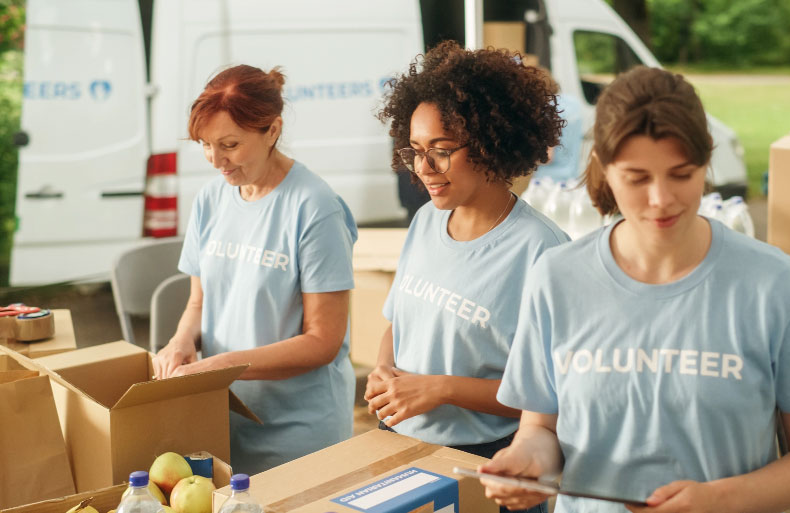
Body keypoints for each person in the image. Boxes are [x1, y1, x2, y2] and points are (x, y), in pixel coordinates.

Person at [479, 66, 790, 513]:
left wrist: (719, 499)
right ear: (603, 168)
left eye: (681, 174)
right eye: (637, 178)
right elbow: (542, 429)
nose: (661, 198)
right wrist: (525, 462)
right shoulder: (556, 278)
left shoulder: (773, 284)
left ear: (706, 163)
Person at [363, 41, 568, 513]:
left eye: (441, 151)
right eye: (414, 151)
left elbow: (552, 398)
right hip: (397, 445)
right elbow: (400, 323)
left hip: (488, 464)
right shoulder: (426, 222)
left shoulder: (543, 253)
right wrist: (383, 370)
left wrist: (439, 388)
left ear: (493, 143)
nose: (424, 170)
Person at [152, 64, 357, 476]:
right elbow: (199, 301)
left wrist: (218, 365)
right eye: (206, 145)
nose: (216, 160)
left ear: (273, 130)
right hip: (224, 422)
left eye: (229, 144)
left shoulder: (314, 209)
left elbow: (323, 341)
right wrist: (179, 341)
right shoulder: (212, 199)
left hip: (299, 435)